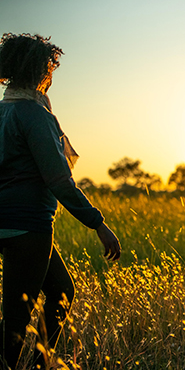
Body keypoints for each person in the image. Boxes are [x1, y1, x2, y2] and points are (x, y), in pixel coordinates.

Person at [0, 33, 121, 369]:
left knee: (63, 291)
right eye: (49, 69)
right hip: (29, 226)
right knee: (15, 318)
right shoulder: (34, 115)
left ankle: (41, 362)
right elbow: (58, 181)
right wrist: (98, 223)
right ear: (41, 71)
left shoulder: (4, 111)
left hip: (8, 222)